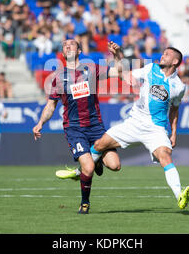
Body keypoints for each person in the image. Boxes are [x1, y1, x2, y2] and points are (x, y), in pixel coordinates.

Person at [88, 47, 189, 210]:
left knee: (165, 156)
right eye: (163, 53)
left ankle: (179, 195)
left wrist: (173, 134)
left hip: (156, 130)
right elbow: (127, 75)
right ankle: (80, 171)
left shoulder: (179, 86)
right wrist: (117, 56)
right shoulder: (151, 69)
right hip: (135, 123)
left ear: (175, 62)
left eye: (167, 54)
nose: (162, 56)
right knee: (99, 145)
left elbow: (174, 110)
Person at [32, 39, 122, 214]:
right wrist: (40, 123)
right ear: (63, 53)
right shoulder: (58, 78)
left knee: (115, 165)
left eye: (72, 43)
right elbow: (51, 106)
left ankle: (95, 162)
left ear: (79, 50)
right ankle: (85, 202)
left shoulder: (91, 69)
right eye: (65, 45)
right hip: (75, 129)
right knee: (87, 168)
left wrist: (116, 55)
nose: (67, 46)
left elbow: (117, 71)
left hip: (96, 127)